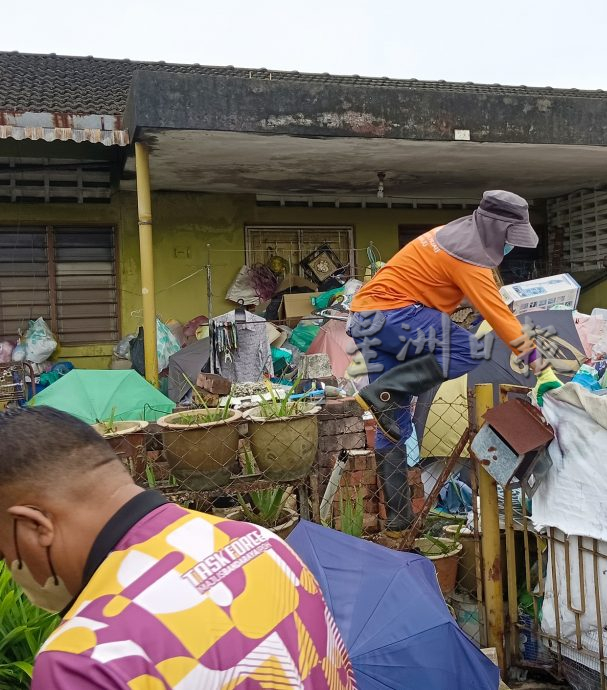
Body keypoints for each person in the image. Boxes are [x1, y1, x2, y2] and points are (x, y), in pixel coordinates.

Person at [0, 406, 356, 690]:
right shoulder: (261, 543)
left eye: (4, 554)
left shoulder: (85, 659)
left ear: (34, 527)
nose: (12, 570)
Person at [348, 190, 562, 541]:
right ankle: (382, 393)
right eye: (509, 238)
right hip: (394, 315)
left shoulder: (453, 234)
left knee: (393, 425)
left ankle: (399, 527)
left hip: (367, 320)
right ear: (495, 229)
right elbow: (500, 317)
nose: (509, 247)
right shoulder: (469, 256)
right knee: (468, 351)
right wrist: (543, 369)